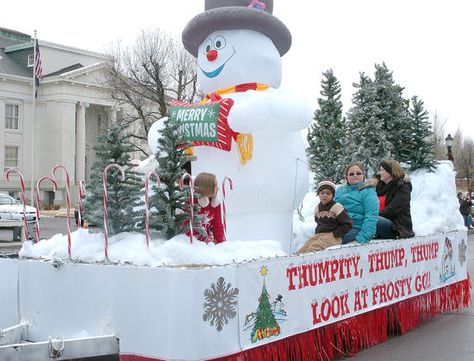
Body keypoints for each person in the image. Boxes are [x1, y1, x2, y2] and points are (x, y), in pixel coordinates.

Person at [296, 180, 352, 254]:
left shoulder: (337, 207)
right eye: (322, 193)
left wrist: (335, 233)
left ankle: (313, 264)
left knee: (314, 248)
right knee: (302, 250)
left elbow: (348, 224)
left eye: (328, 193)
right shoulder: (317, 208)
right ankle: (297, 263)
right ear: (319, 194)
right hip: (320, 235)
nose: (325, 195)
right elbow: (319, 223)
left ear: (333, 195)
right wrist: (317, 234)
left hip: (334, 236)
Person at [335, 162, 379, 244]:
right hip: (340, 226)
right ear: (347, 177)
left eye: (358, 173)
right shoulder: (340, 190)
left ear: (363, 176)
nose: (355, 175)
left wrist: (361, 239)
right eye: (351, 174)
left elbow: (371, 216)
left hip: (357, 226)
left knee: (339, 241)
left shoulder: (368, 191)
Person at [374, 160, 415, 239]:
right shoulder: (379, 186)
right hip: (380, 219)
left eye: (382, 170)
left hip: (397, 226)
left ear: (390, 172)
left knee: (371, 221)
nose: (380, 173)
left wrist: (372, 216)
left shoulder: (403, 186)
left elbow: (393, 209)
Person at [193, 172, 225, 244]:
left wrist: (221, 244)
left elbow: (217, 225)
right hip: (193, 242)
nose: (218, 188)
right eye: (215, 185)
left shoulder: (215, 203)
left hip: (207, 240)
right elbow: (186, 226)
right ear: (207, 188)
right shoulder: (192, 203)